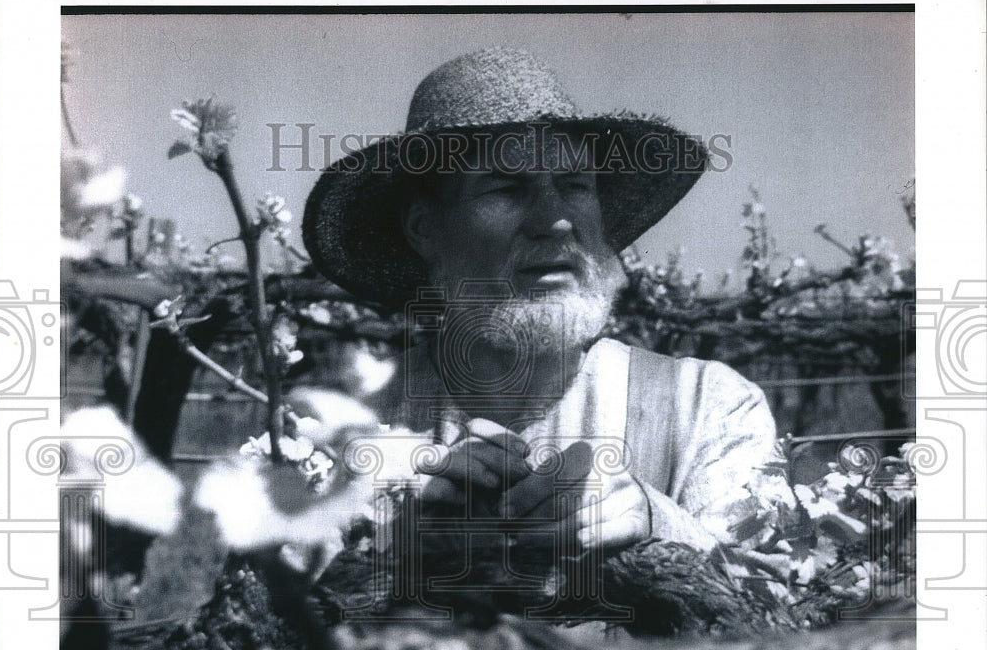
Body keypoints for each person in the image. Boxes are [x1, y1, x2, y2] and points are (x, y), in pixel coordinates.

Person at [300, 47, 793, 559]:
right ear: (426, 229)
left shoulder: (707, 408)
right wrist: (377, 534)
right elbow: (263, 623)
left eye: (574, 185)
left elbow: (781, 610)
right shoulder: (345, 430)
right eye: (507, 189)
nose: (555, 220)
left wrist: (657, 522)